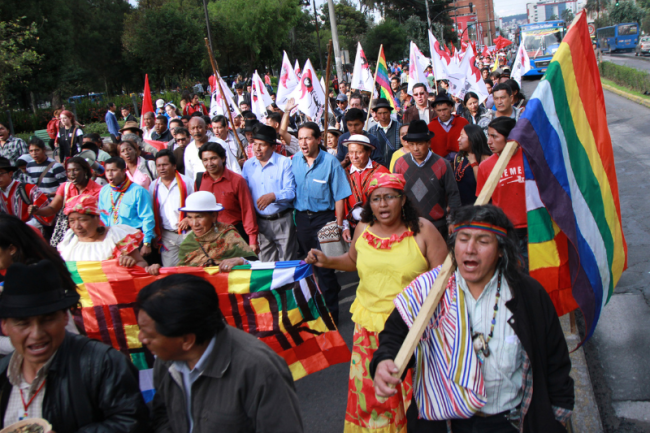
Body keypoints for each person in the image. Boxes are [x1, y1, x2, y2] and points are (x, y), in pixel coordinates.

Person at [372, 205, 574, 433]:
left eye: (483, 241)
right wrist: (384, 360)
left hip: (510, 423)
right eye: (463, 238)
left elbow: (555, 361)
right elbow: (394, 336)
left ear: (501, 250)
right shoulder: (428, 292)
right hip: (445, 425)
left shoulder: (528, 295)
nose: (470, 249)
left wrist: (556, 419)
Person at [306, 172, 446, 433]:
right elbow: (352, 261)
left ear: (402, 200)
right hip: (368, 331)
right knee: (373, 399)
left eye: (389, 197)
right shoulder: (363, 229)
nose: (382, 204)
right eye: (376, 198)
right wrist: (327, 261)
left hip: (412, 332)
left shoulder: (424, 230)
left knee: (410, 398)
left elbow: (444, 283)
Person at [138, 273, 303, 432]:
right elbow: (163, 415)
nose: (141, 339)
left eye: (149, 334)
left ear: (187, 340)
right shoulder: (167, 360)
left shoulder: (259, 370)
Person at [0, 259, 150, 431]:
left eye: (47, 320)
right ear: (4, 326)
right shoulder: (3, 372)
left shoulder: (103, 364)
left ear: (65, 317)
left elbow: (132, 423)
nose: (36, 334)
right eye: (23, 323)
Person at [292, 123, 351, 324]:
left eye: (308, 138)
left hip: (324, 220)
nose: (303, 143)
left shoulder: (331, 163)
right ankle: (314, 308)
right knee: (309, 266)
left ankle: (331, 317)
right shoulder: (294, 161)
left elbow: (340, 196)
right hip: (301, 219)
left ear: (318, 139)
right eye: (300, 138)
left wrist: (339, 224)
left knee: (324, 267)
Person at [57, 194, 157, 276]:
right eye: (72, 221)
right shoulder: (69, 240)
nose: (77, 226)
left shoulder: (116, 236)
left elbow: (142, 264)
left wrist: (131, 264)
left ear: (96, 218)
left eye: (83, 220)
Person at [393, 121, 461, 239]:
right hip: (408, 226)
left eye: (419, 144)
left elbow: (453, 194)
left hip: (437, 226)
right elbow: (394, 194)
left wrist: (453, 221)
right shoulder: (400, 164)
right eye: (412, 144)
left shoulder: (442, 164)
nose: (415, 148)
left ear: (428, 143)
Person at [476, 117, 528, 265]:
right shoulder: (485, 166)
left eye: (494, 136)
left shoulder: (529, 158)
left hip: (532, 227)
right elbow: (483, 202)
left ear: (509, 137)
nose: (489, 142)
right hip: (505, 230)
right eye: (488, 136)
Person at [241, 124, 297, 262]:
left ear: (273, 147)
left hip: (282, 220)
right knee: (266, 264)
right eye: (255, 144)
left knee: (287, 263)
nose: (257, 148)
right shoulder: (248, 165)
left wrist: (273, 196)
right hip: (260, 222)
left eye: (262, 145)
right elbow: (245, 193)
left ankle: (289, 285)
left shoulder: (284, 163)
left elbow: (291, 192)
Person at [196, 141, 259, 253]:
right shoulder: (200, 180)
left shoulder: (237, 180)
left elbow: (247, 211)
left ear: (223, 159)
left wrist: (252, 240)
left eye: (213, 158)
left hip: (234, 234)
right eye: (205, 160)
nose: (209, 163)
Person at [30, 157, 102, 247]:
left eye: (76, 170)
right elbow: (52, 208)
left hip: (88, 234)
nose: (72, 174)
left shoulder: (98, 190)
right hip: (67, 234)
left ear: (85, 171)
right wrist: (38, 211)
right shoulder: (65, 187)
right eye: (69, 171)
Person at [174, 191, 258, 267]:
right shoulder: (188, 243)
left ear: (214, 216)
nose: (194, 223)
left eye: (199, 217)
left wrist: (240, 261)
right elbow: (181, 272)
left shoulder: (229, 237)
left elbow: (255, 265)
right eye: (189, 218)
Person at [98, 157, 155, 258]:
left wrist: (147, 243)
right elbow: (102, 217)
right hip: (112, 239)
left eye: (114, 170)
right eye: (107, 171)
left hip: (134, 240)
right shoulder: (104, 191)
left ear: (124, 171)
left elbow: (147, 218)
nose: (110, 174)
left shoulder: (138, 191)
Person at [149, 149, 194, 267]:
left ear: (174, 166)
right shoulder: (153, 186)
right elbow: (152, 211)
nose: (161, 168)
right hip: (166, 235)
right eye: (158, 165)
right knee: (170, 270)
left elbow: (195, 206)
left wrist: (188, 218)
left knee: (193, 267)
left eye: (165, 165)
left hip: (187, 232)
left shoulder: (187, 182)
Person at [341, 135, 389, 232]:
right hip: (352, 225)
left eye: (359, 152)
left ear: (369, 152)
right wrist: (345, 226)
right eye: (351, 152)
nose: (354, 156)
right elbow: (342, 200)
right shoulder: (344, 173)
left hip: (378, 224)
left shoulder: (382, 172)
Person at [0, 157, 51, 226]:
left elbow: (47, 216)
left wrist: (22, 228)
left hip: (30, 231)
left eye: (0, 174)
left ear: (10, 174)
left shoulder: (29, 189)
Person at [453, 124, 492, 206]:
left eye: (462, 137)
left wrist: (474, 163)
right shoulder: (458, 157)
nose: (458, 139)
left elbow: (484, 187)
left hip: (478, 207)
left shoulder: (487, 159)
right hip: (460, 208)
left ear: (473, 138)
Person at [427, 93, 469, 158]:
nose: (442, 113)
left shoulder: (463, 122)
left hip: (462, 160)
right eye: (439, 110)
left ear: (450, 107)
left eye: (445, 109)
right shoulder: (430, 127)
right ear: (435, 109)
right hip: (440, 163)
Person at [368, 98, 402, 166]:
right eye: (380, 113)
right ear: (376, 114)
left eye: (385, 113)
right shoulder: (372, 131)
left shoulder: (400, 128)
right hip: (379, 169)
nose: (383, 116)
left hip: (397, 166)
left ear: (390, 112)